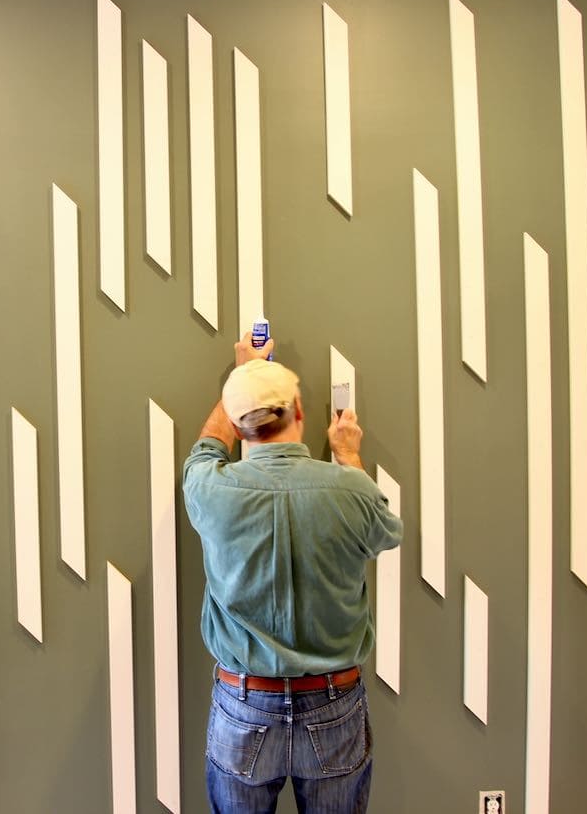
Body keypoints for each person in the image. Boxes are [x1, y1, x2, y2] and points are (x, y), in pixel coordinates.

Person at [182, 333, 404, 814]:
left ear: (240, 430)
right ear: (299, 411)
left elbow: (205, 448)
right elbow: (386, 534)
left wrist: (244, 374)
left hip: (244, 703)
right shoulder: (350, 490)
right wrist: (346, 455)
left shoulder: (209, 490)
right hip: (333, 702)